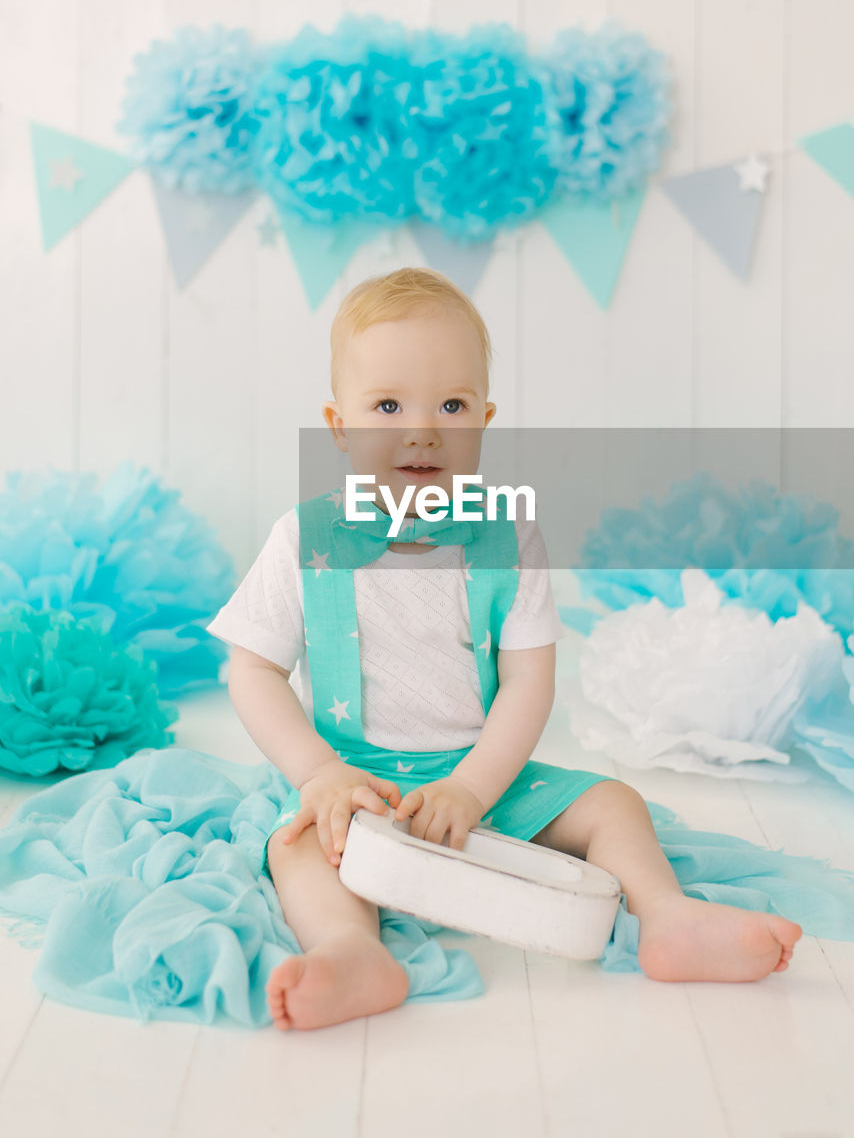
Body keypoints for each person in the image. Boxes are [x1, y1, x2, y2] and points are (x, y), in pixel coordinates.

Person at [207, 266, 802, 1031]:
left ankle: (669, 917)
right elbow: (252, 667)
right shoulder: (306, 536)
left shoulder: (508, 537)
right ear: (339, 425)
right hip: (360, 787)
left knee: (613, 805)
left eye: (451, 405)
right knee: (297, 849)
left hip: (483, 778)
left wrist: (473, 790)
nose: (422, 429)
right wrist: (319, 774)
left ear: (485, 420)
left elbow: (529, 682)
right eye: (388, 405)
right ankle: (353, 952)